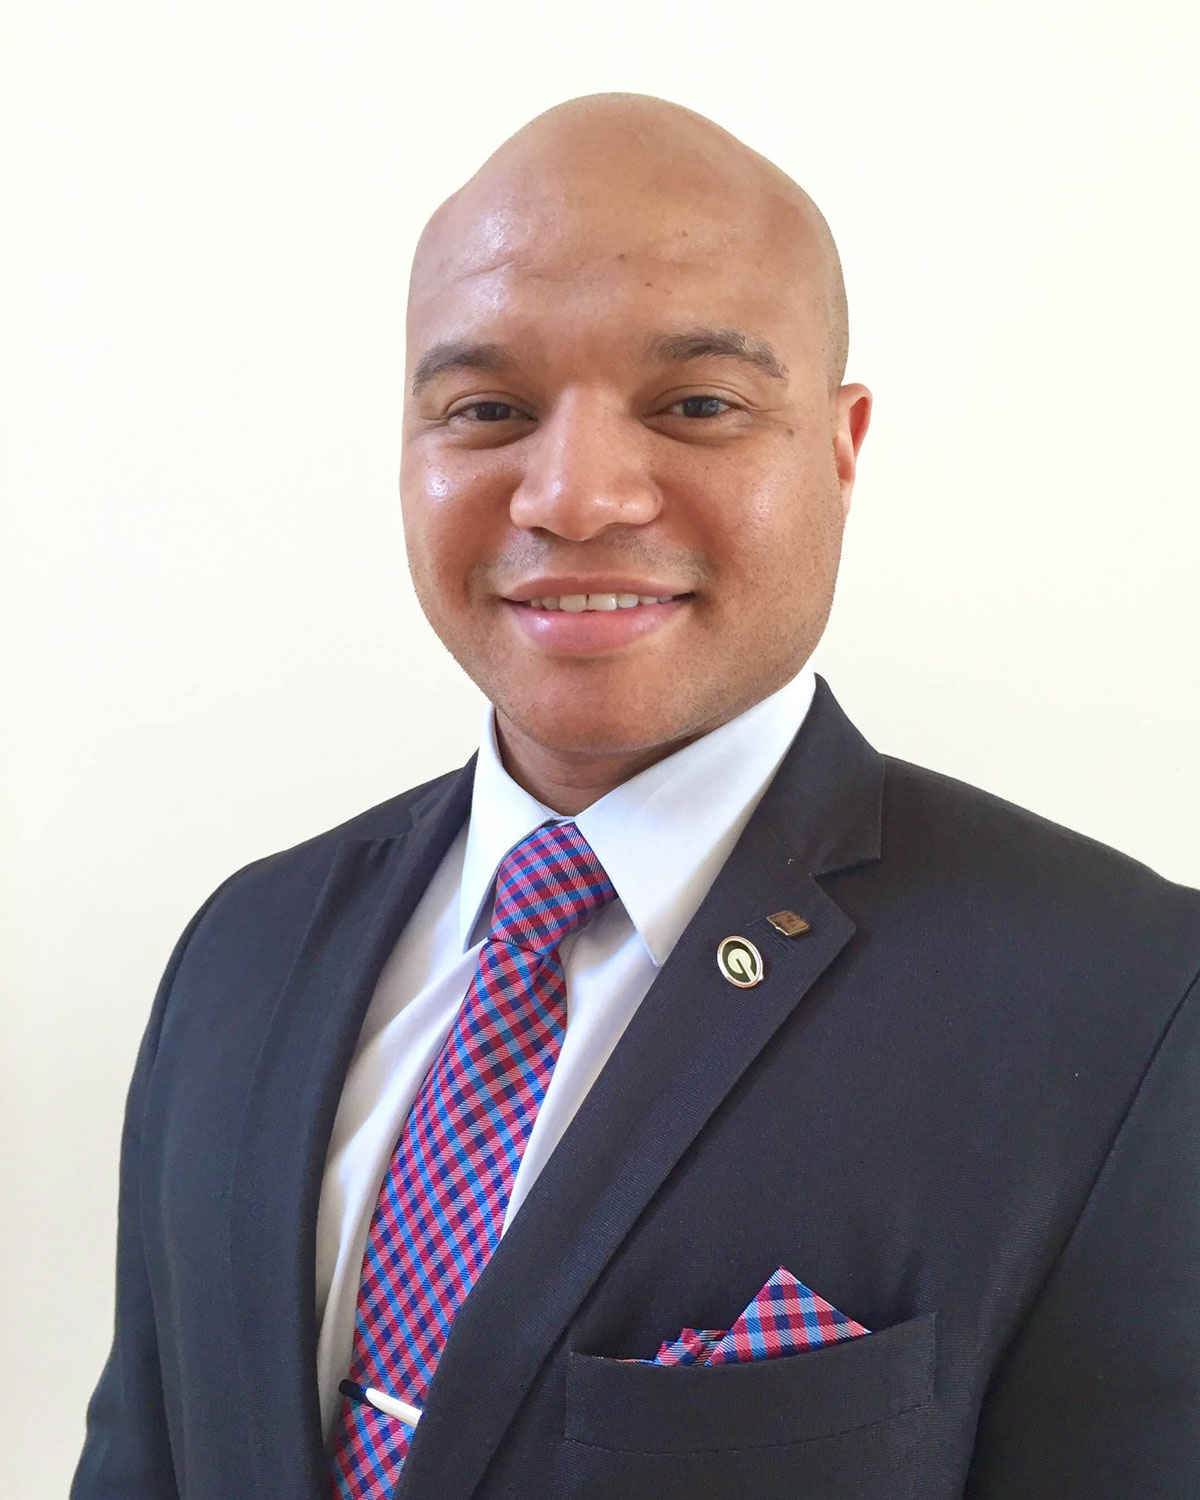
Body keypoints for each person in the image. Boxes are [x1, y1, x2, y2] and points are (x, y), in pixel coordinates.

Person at [72, 91, 1199, 1500]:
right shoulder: (242, 949)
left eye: (697, 406)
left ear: (841, 447)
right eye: (488, 408)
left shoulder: (1133, 1004)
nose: (578, 495)